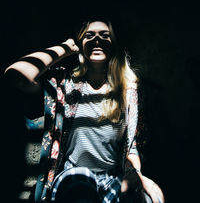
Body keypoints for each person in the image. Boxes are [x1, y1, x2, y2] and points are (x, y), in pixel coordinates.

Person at [4, 20, 165, 203]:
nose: (97, 40)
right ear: (80, 44)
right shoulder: (65, 84)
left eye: (104, 35)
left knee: (152, 198)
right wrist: (66, 47)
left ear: (114, 43)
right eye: (89, 35)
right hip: (73, 176)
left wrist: (135, 174)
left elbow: (131, 146)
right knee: (81, 183)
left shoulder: (127, 90)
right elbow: (16, 75)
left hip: (110, 178)